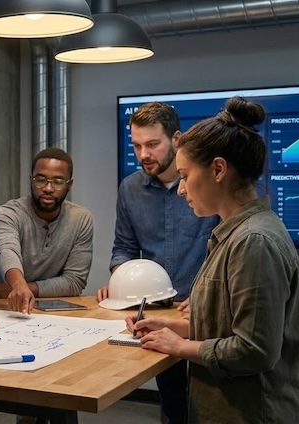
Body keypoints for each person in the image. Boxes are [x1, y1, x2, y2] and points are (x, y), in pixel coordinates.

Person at [128, 96, 299, 423]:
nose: (181, 189)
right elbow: (230, 324)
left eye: (184, 176)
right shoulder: (235, 233)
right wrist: (173, 326)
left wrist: (179, 346)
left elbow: (253, 350)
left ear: (217, 169)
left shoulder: (253, 241)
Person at [97, 101, 218, 424]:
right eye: (136, 145)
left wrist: (209, 296)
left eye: (152, 144)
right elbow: (123, 248)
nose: (143, 154)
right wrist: (121, 278)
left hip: (205, 309)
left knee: (210, 402)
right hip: (157, 308)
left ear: (176, 139)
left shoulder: (205, 185)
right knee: (173, 403)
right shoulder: (130, 189)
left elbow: (225, 248)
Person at [0, 147, 93, 314]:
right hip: (7, 309)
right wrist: (17, 285)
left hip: (57, 311)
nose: (48, 188)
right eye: (41, 179)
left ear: (69, 185)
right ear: (31, 180)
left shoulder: (81, 219)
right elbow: (6, 251)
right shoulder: (7, 214)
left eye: (58, 181)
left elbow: (74, 282)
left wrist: (24, 289)